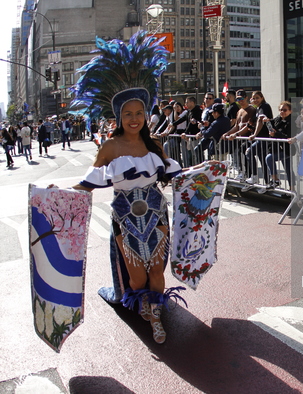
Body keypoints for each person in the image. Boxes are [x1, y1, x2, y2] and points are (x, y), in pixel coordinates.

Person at [67, 31, 187, 344]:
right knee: (136, 276)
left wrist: (201, 174)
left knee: (157, 273)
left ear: (146, 115)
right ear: (119, 117)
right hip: (125, 218)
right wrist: (60, 193)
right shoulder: (109, 147)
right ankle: (143, 305)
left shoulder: (154, 144)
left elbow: (174, 174)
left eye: (139, 113)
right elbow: (89, 182)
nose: (134, 119)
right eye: (128, 114)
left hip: (157, 212)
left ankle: (155, 314)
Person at [264, 101, 293, 189]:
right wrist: (267, 120)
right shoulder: (278, 119)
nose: (282, 112)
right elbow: (271, 122)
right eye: (280, 110)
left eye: (285, 110)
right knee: (288, 169)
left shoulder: (291, 121)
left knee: (270, 158)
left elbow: (289, 136)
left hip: (288, 149)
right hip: (279, 148)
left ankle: (277, 181)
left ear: (290, 111)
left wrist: (276, 134)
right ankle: (291, 188)